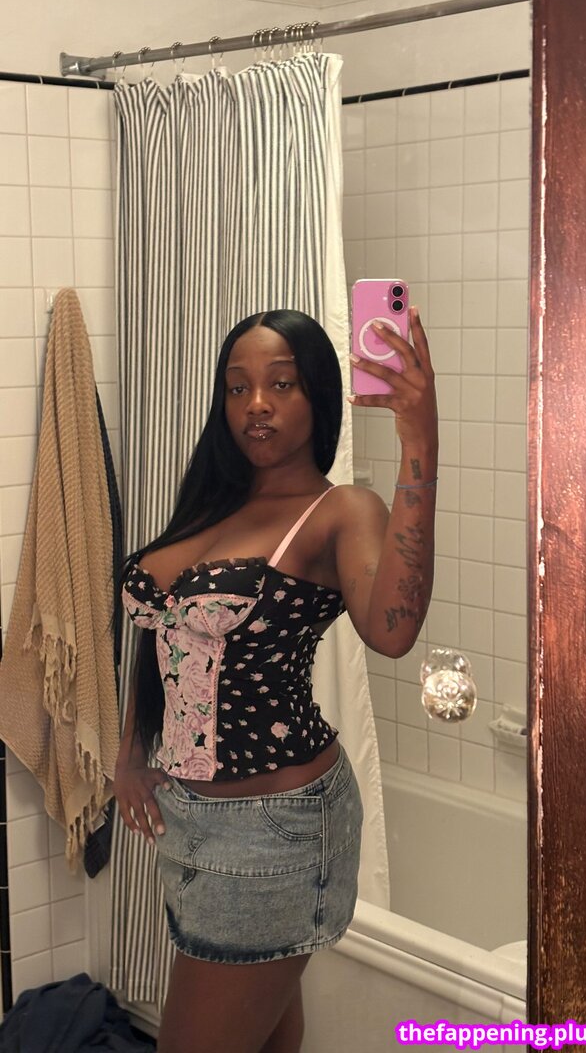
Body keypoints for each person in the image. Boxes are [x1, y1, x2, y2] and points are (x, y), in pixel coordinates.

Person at [114, 306, 438, 1053]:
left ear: (317, 394)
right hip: (191, 822)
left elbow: (393, 631)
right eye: (238, 387)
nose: (255, 404)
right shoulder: (212, 504)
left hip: (275, 832)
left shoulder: (339, 511)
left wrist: (419, 441)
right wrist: (131, 752)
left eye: (281, 384)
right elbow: (160, 634)